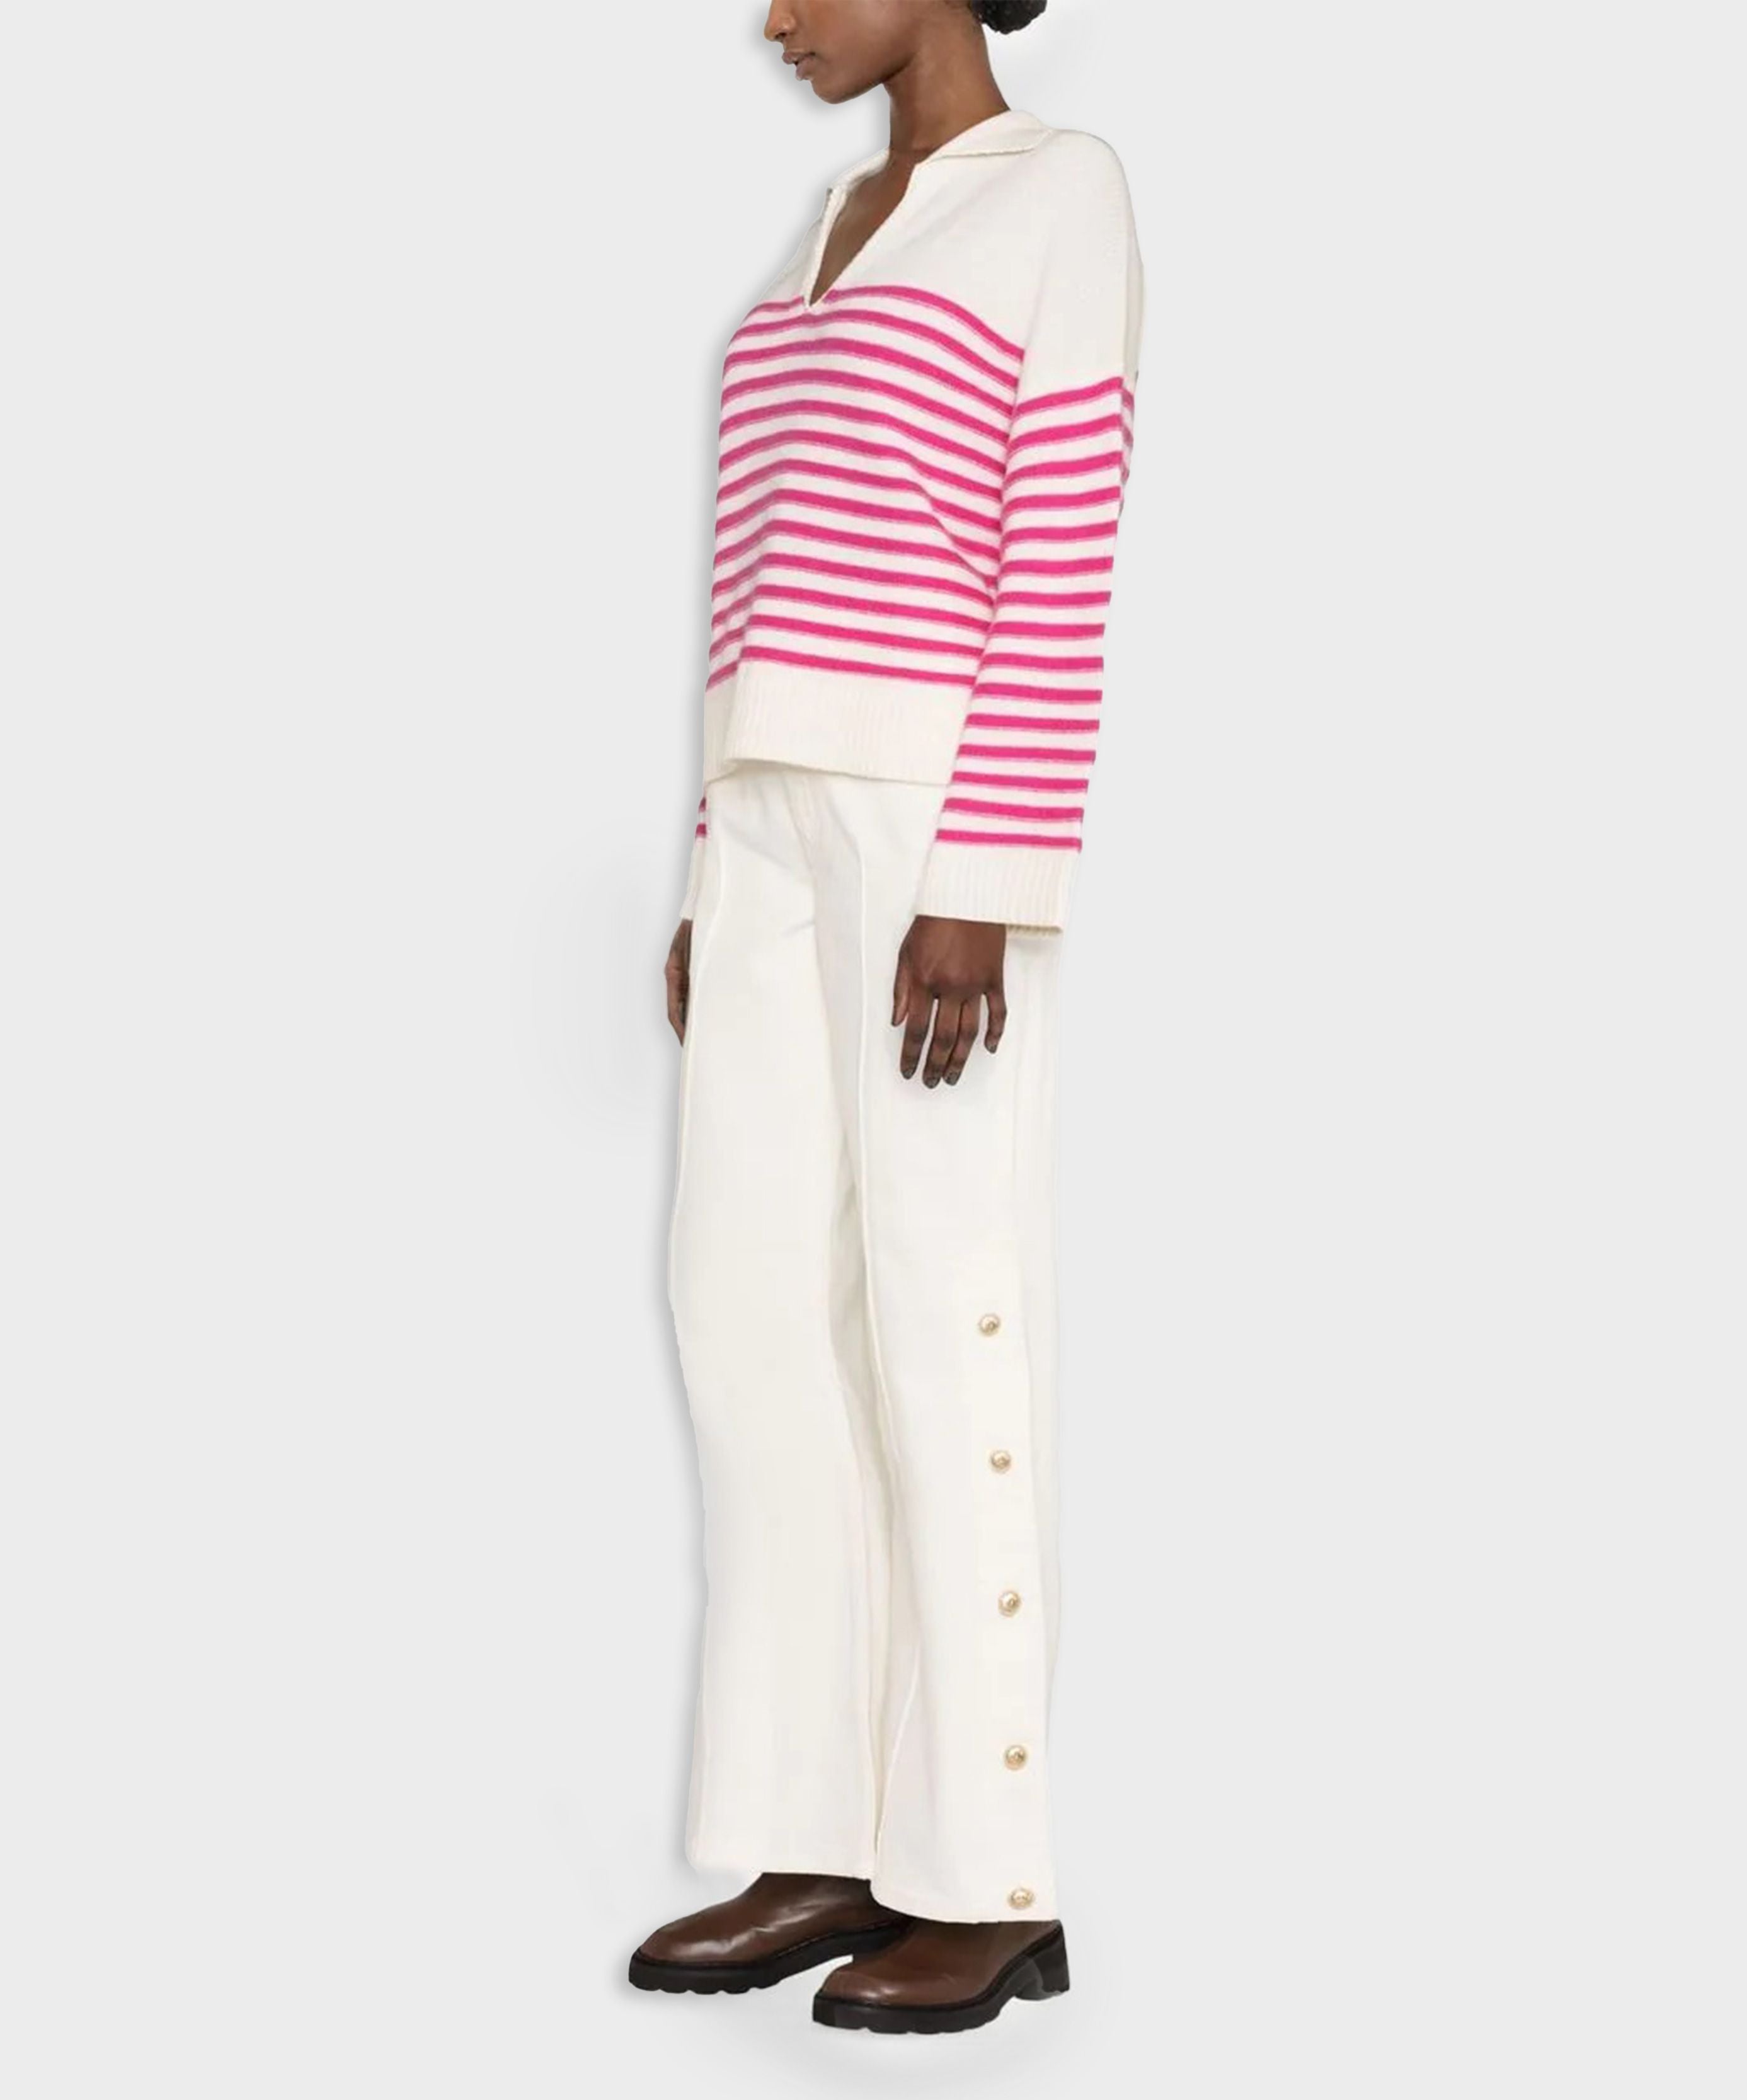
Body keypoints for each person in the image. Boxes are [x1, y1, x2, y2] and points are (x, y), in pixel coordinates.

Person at [628, 0, 1144, 2036]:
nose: (769, 16)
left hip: (933, 819)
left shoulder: (1059, 193)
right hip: (769, 820)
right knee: (750, 1315)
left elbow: (1060, 553)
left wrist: (985, 881)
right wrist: (709, 860)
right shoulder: (831, 224)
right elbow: (756, 573)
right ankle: (817, 1829)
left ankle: (987, 1871)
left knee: (944, 1305)